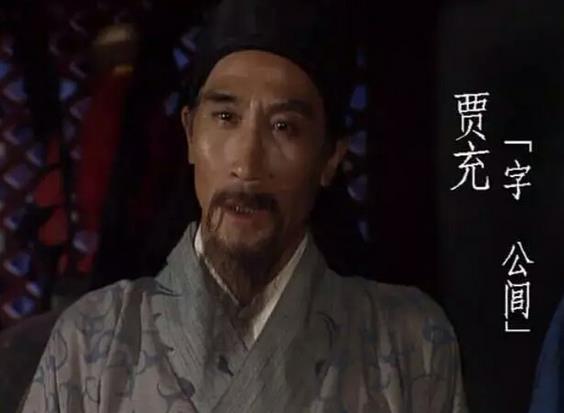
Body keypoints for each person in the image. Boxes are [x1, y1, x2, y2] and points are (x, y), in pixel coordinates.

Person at [19, 0, 467, 411]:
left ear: (331, 157)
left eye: (284, 126)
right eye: (225, 118)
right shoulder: (91, 338)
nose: (247, 164)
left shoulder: (409, 340)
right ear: (190, 133)